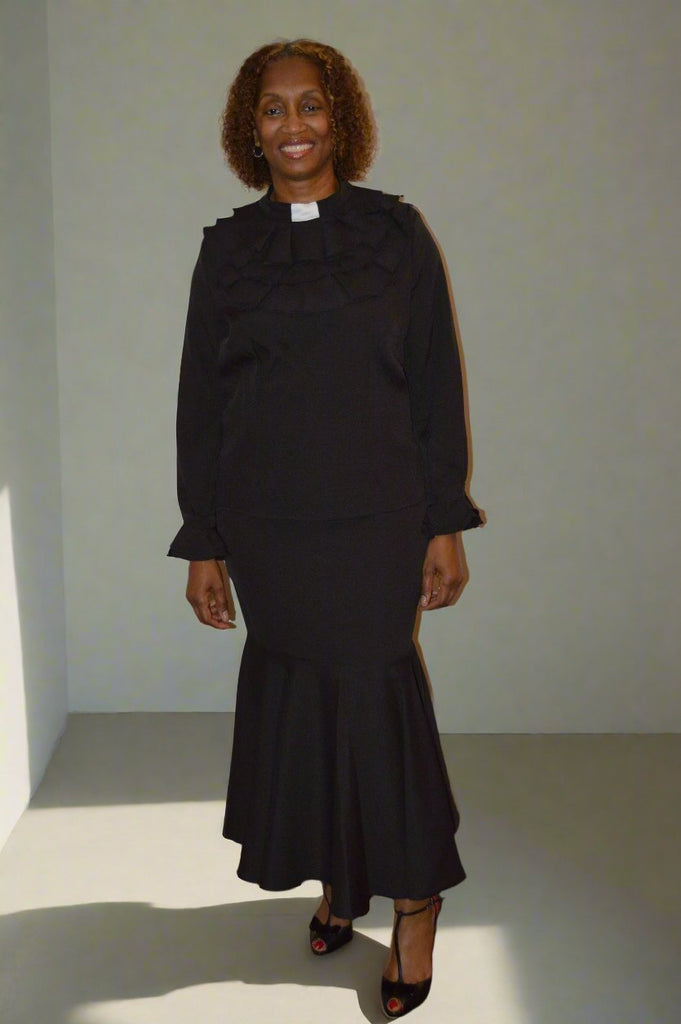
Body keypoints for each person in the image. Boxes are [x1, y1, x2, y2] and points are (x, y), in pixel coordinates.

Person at [168, 38, 484, 1020]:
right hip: (268, 527)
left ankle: (417, 898)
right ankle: (341, 879)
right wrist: (204, 536)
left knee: (374, 698)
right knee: (302, 697)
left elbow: (434, 384)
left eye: (310, 104)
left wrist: (442, 518)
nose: (293, 124)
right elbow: (201, 404)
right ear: (250, 130)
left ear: (339, 117)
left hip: (376, 519)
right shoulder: (229, 251)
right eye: (273, 109)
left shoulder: (395, 236)